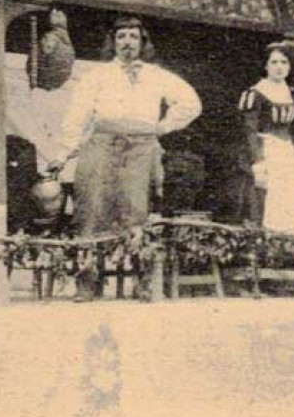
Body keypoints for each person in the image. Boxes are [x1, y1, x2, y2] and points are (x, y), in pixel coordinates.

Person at [50, 16, 201, 255]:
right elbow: (77, 116)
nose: (127, 42)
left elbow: (191, 103)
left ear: (142, 43)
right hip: (102, 145)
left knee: (137, 213)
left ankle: (141, 282)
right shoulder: (96, 75)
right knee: (92, 208)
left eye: (133, 37)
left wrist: (161, 127)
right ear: (113, 42)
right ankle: (88, 281)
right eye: (121, 36)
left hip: (142, 149)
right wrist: (62, 153)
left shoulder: (156, 75)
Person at [239, 44, 294, 235]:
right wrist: (257, 161)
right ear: (266, 66)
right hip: (266, 148)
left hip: (286, 149)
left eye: (284, 62)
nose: (279, 67)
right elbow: (250, 130)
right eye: (274, 62)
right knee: (270, 199)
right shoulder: (256, 93)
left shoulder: (290, 92)